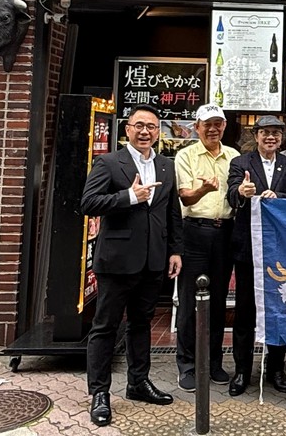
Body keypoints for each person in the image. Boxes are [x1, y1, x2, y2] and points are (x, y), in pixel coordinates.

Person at [80, 105, 182, 428]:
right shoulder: (109, 163)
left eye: (151, 126)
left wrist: (175, 251)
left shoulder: (166, 165)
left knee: (141, 324)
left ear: (158, 132)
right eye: (139, 125)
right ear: (127, 129)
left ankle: (138, 382)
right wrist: (129, 197)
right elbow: (88, 203)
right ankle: (100, 393)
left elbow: (172, 212)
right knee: (105, 327)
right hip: (117, 260)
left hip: (153, 260)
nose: (145, 132)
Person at [226, 115, 286, 396]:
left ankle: (276, 369)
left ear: (282, 138)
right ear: (255, 135)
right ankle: (242, 370)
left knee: (279, 309)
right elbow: (231, 194)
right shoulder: (240, 162)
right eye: (265, 132)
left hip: (280, 251)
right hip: (248, 248)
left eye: (276, 133)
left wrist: (279, 196)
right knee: (245, 311)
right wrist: (241, 191)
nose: (271, 137)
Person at [173, 104, 241, 393]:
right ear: (197, 127)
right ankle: (187, 365)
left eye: (218, 124)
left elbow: (238, 193)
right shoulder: (185, 155)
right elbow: (185, 197)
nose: (213, 129)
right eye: (207, 124)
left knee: (217, 301)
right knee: (189, 300)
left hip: (225, 232)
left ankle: (214, 362)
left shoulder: (234, 156)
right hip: (194, 232)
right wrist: (203, 190)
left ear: (224, 127)